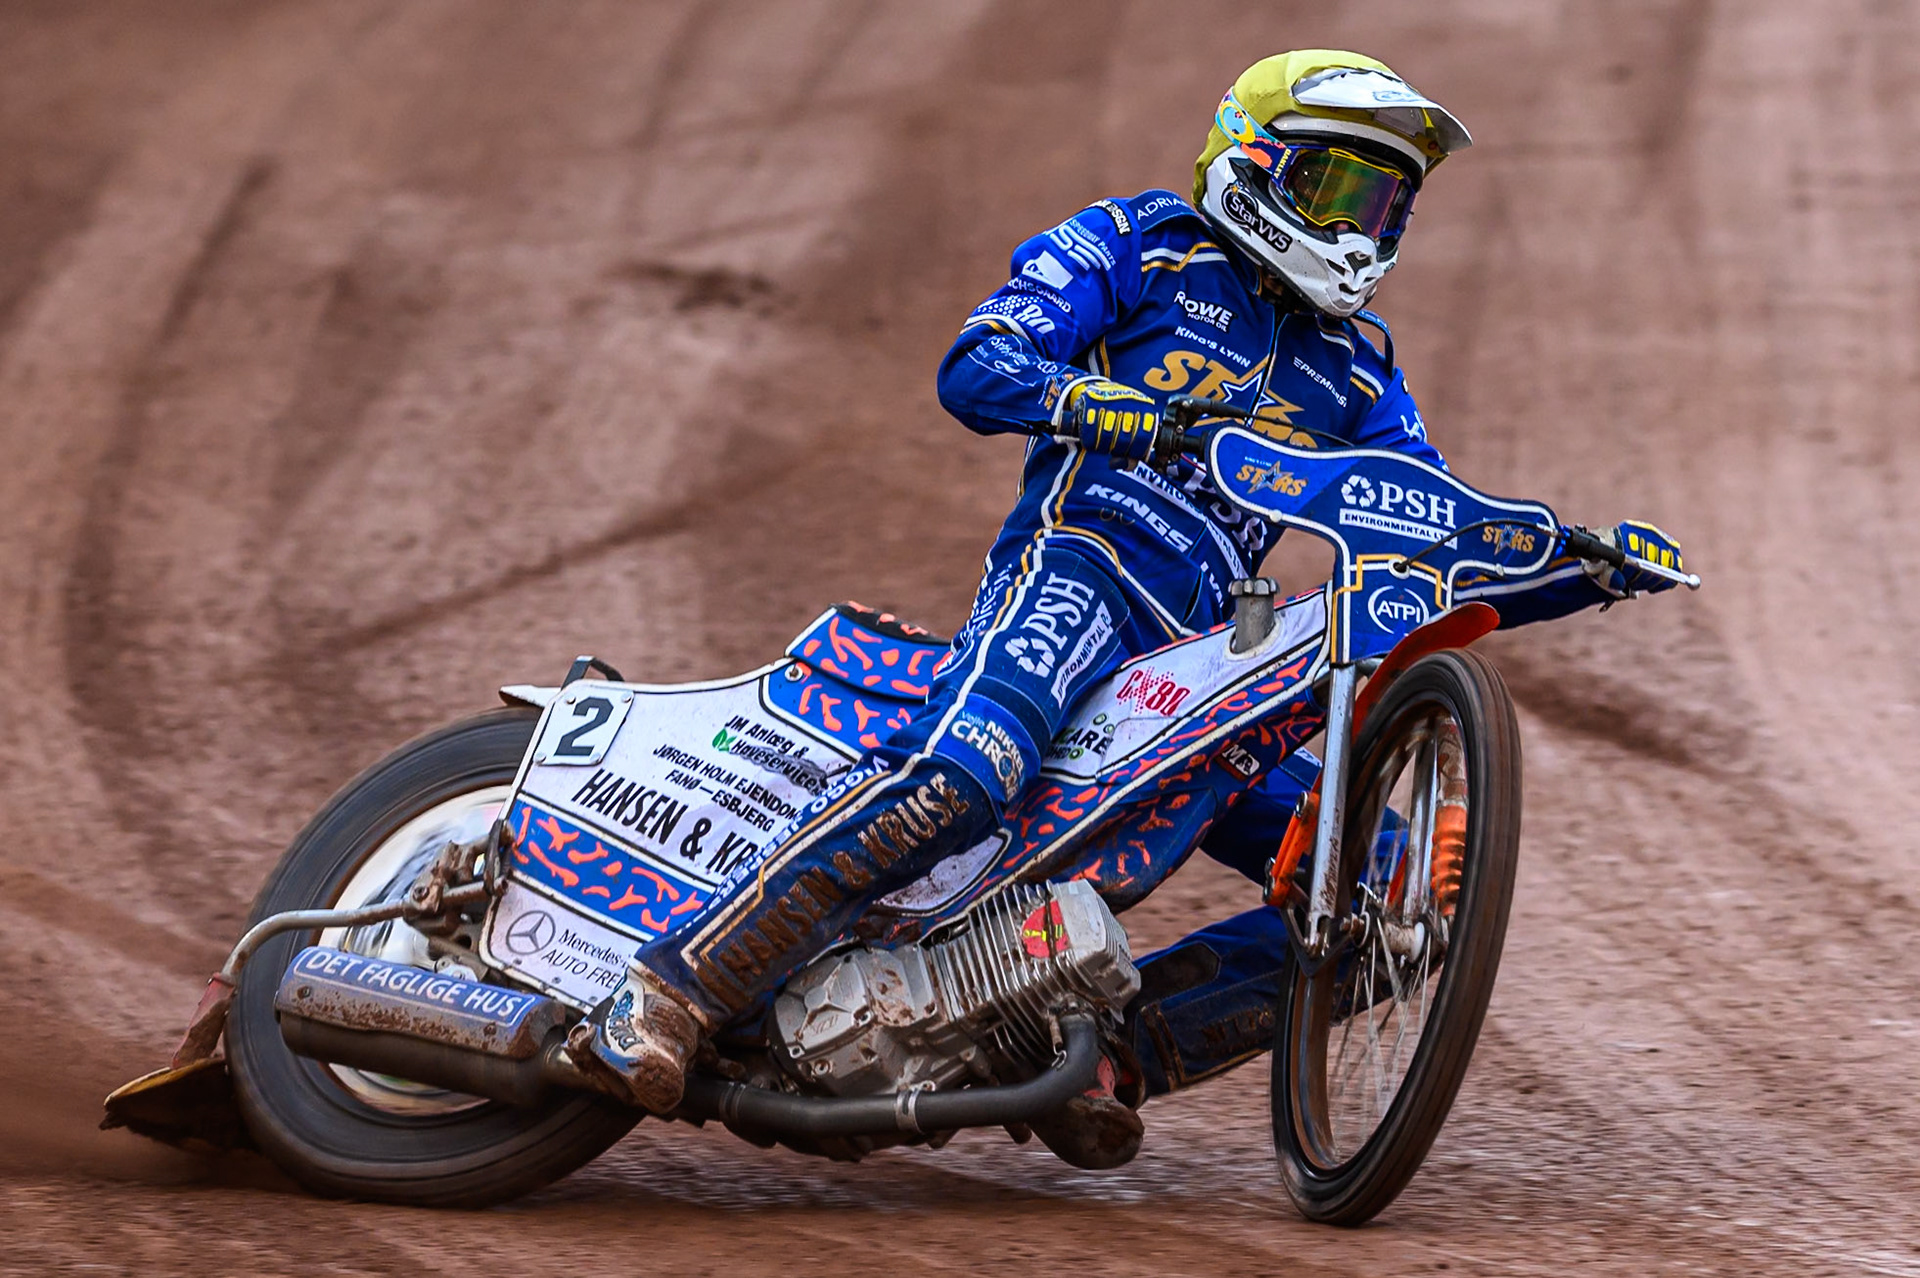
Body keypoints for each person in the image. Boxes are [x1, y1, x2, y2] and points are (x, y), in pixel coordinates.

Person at [577, 49, 1685, 1168]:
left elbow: (1427, 527)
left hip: (1204, 664)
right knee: (970, 775)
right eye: (1342, 189)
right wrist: (1085, 402)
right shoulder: (1141, 244)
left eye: (1387, 201)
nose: (1363, 224)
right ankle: (668, 990)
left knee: (1393, 894)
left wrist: (1575, 569)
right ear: (1258, 162)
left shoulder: (1356, 371)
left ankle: (1108, 1060)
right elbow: (978, 362)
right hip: (1078, 577)